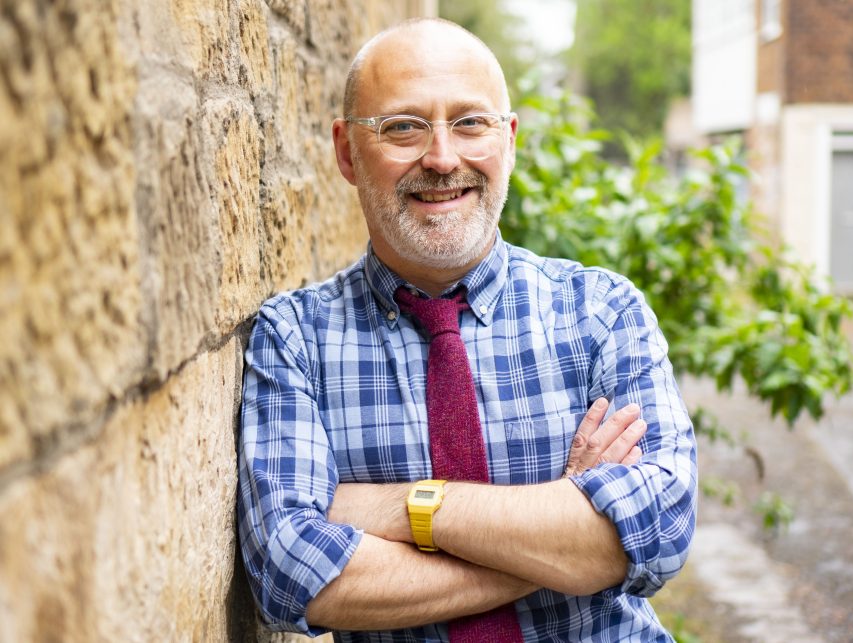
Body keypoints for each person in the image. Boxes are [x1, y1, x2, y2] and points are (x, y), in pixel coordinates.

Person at [238, 17, 697, 642]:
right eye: (402, 127)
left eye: (470, 122)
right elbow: (292, 572)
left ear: (507, 140)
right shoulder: (294, 339)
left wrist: (400, 509)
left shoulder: (601, 310)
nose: (443, 158)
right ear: (347, 151)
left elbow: (659, 530)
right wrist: (563, 534)